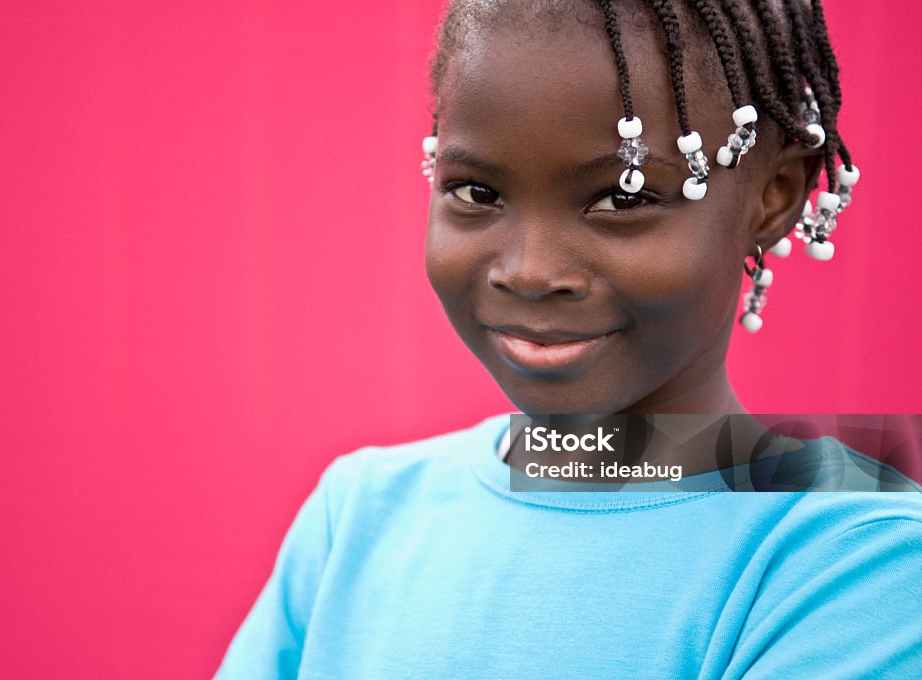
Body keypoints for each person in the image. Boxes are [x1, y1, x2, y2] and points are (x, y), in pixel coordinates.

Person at [215, 0, 922, 677]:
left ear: (774, 195)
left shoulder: (857, 550)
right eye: (477, 192)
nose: (530, 272)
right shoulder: (359, 517)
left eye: (623, 196)